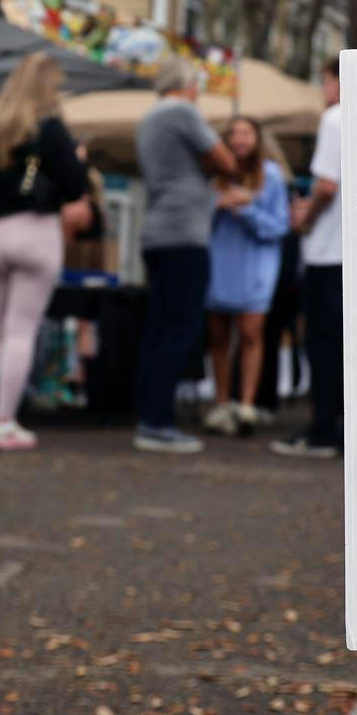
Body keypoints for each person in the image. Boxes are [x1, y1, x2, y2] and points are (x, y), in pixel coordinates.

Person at [0, 53, 89, 451]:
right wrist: (78, 162)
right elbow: (73, 188)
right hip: (33, 232)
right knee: (20, 331)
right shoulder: (50, 130)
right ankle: (4, 422)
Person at [133, 56, 236, 453]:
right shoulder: (182, 112)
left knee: (159, 329)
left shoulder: (148, 119)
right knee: (179, 329)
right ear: (190, 86)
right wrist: (210, 163)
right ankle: (159, 423)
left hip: (157, 231)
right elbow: (225, 160)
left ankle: (150, 415)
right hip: (184, 234)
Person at [274, 57, 343, 460]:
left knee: (321, 343)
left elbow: (327, 186)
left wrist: (305, 217)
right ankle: (342, 426)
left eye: (324, 82)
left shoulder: (335, 118)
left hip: (327, 250)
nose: (323, 91)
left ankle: (322, 429)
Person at [203, 117, 289, 437]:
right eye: (233, 133)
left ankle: (247, 403)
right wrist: (218, 204)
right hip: (220, 260)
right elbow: (200, 221)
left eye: (246, 133)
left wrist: (247, 209)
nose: (239, 139)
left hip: (256, 264)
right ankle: (222, 402)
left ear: (257, 137)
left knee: (252, 332)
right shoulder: (213, 175)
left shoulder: (272, 176)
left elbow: (278, 226)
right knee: (218, 334)